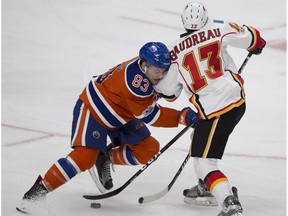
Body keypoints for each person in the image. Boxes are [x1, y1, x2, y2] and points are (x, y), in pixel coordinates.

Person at [16, 41, 200, 213]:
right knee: (85, 157)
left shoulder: (147, 72)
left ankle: (105, 158)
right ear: (144, 64)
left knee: (149, 149)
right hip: (94, 109)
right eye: (156, 71)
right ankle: (37, 193)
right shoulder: (137, 83)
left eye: (163, 71)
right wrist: (181, 116)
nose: (160, 76)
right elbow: (152, 116)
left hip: (122, 112)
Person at [154, 1, 266, 216]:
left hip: (215, 109)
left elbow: (169, 92)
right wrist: (256, 44)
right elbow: (252, 37)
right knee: (200, 141)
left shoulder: (173, 50)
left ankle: (228, 201)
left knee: (204, 163)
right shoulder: (218, 27)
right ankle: (206, 187)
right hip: (234, 100)